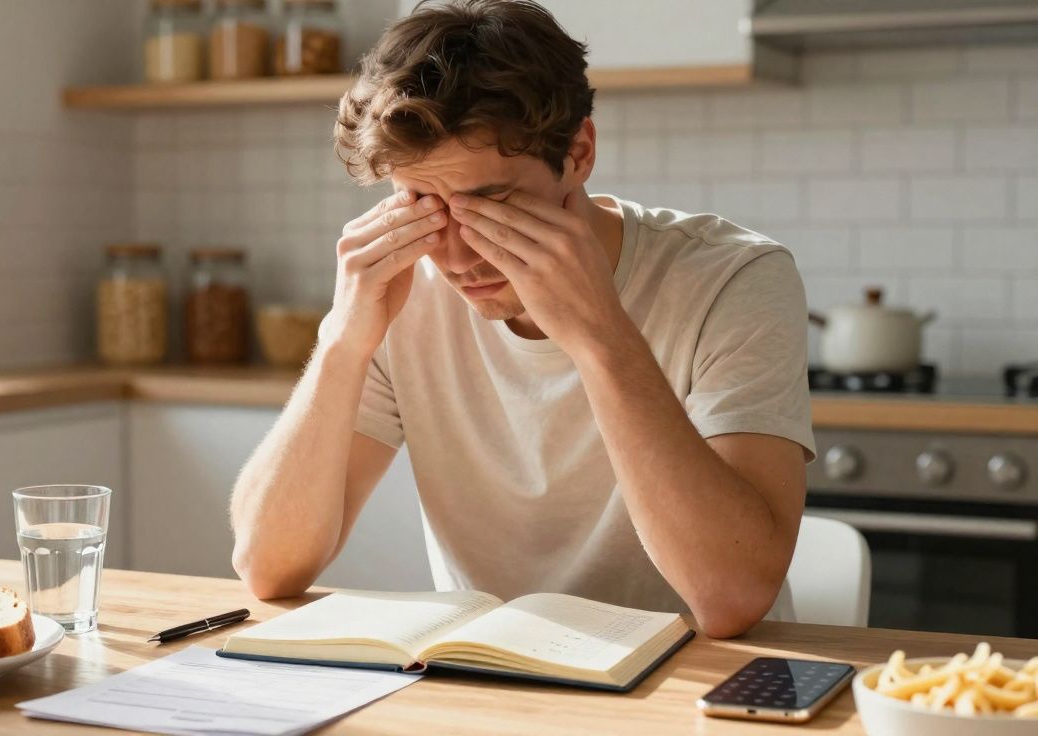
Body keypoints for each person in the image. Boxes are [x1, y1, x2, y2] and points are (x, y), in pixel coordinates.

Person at [229, 0, 814, 638]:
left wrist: (599, 333)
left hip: (699, 688)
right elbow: (268, 568)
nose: (453, 255)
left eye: (491, 202)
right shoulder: (403, 286)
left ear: (580, 152)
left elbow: (732, 598)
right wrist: (342, 341)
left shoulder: (733, 279)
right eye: (420, 201)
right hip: (490, 683)